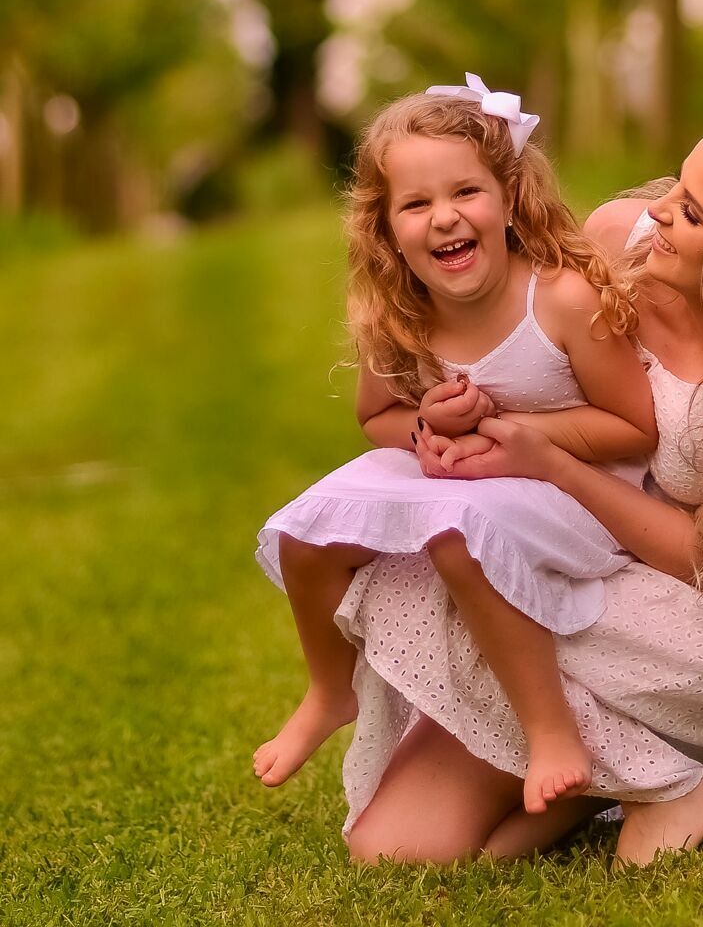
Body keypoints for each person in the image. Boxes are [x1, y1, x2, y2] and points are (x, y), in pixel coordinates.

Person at [336, 96, 703, 867]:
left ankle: (673, 774)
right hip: (561, 568)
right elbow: (501, 326)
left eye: (692, 213)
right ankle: (612, 778)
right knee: (390, 848)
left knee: (457, 569)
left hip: (687, 641)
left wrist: (550, 465)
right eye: (677, 183)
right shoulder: (616, 240)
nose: (659, 210)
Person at [253, 77, 658, 814]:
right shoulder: (398, 315)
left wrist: (513, 435)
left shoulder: (560, 299)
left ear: (507, 197)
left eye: (465, 193)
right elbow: (377, 419)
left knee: (455, 537)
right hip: (466, 476)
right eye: (415, 204)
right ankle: (326, 690)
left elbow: (634, 428)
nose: (444, 219)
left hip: (573, 489)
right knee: (306, 530)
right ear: (385, 228)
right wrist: (426, 426)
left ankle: (551, 732)